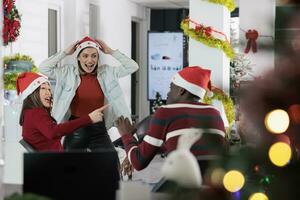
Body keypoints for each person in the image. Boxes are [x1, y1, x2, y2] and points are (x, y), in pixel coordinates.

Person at [39, 36, 139, 152]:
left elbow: (133, 66)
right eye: (85, 56)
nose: (90, 60)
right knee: (69, 167)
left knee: (110, 165)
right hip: (76, 128)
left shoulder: (108, 73)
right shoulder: (67, 73)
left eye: (94, 56)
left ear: (98, 58)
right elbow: (43, 68)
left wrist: (111, 51)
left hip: (99, 129)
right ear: (78, 58)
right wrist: (65, 53)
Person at [116, 66, 226, 171]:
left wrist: (126, 134)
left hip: (184, 186)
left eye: (171, 88)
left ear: (181, 91)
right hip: (214, 186)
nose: (168, 93)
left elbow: (139, 162)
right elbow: (182, 145)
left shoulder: (166, 112)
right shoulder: (215, 113)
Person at [17, 72, 108, 151]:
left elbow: (53, 133)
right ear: (32, 93)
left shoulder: (28, 113)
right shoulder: (36, 113)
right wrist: (89, 118)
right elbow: (54, 132)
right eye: (43, 88)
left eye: (49, 89)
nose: (48, 93)